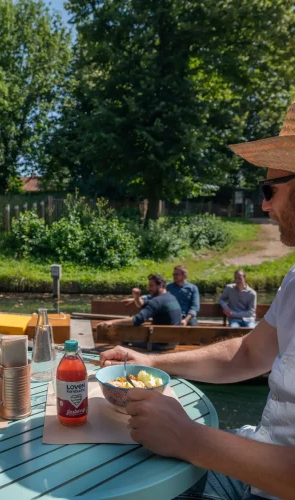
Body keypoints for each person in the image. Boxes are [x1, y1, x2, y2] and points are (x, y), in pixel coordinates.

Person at [100, 100, 295, 499]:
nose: (264, 204)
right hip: (254, 463)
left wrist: (189, 438)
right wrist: (151, 361)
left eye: (270, 189)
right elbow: (246, 354)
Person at [98, 274, 182, 350]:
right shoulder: (171, 297)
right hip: (172, 342)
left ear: (160, 285)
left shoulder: (157, 301)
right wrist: (136, 297)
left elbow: (137, 320)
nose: (149, 289)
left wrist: (112, 322)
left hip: (160, 344)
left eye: (151, 286)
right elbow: (143, 304)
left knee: (125, 336)